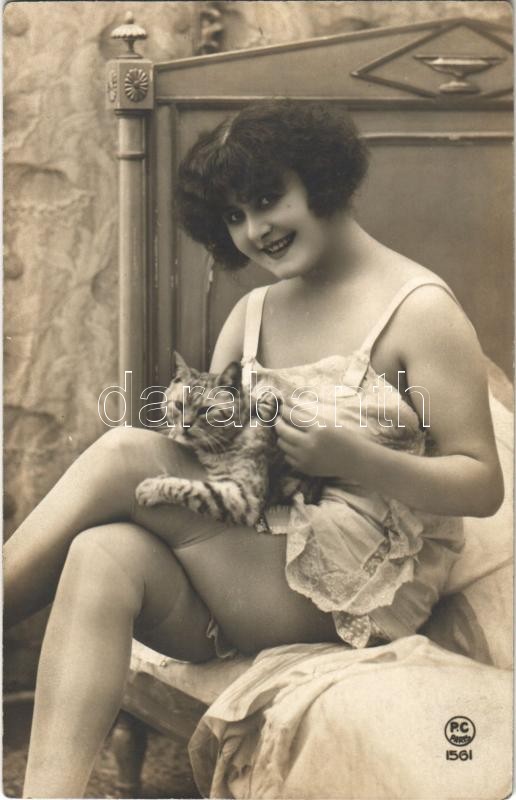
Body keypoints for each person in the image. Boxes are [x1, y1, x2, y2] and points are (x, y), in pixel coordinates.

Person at [4, 100, 503, 798]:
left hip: (354, 588)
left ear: (322, 181)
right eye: (234, 216)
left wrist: (356, 459)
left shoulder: (419, 309)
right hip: (253, 562)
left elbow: (482, 483)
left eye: (268, 200)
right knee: (101, 552)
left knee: (122, 454)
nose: (254, 230)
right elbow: (220, 464)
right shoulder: (252, 313)